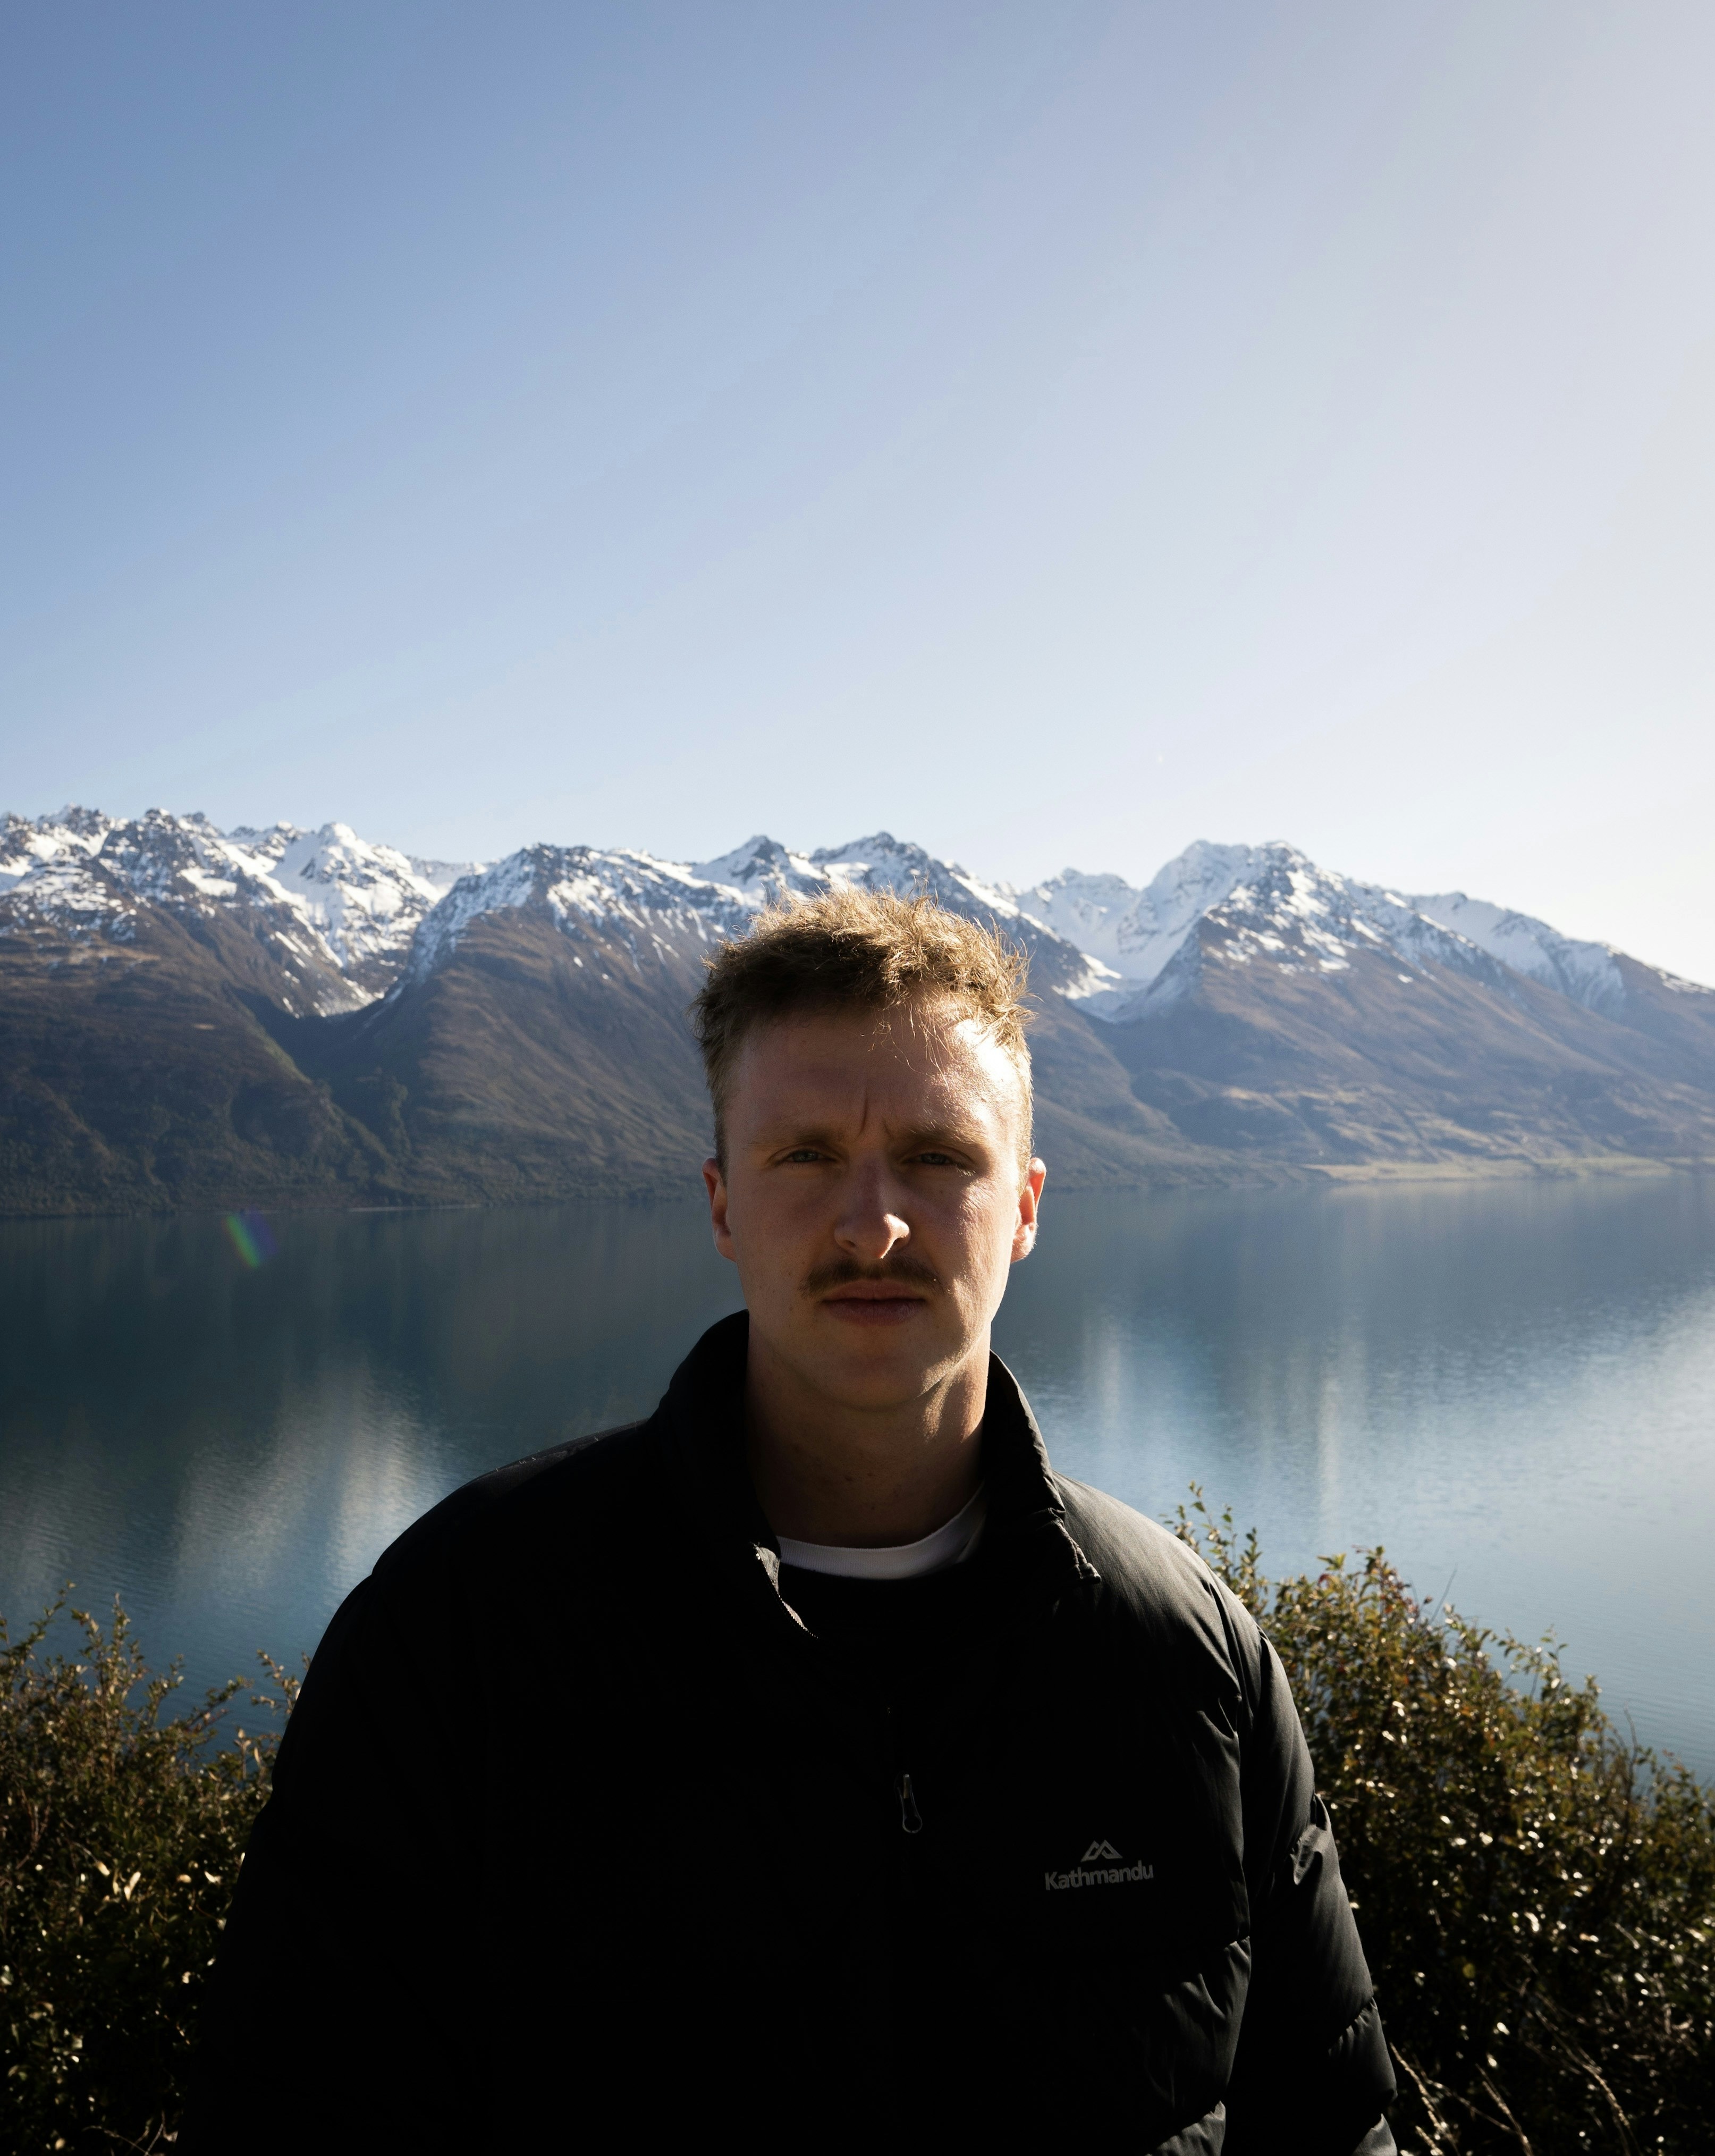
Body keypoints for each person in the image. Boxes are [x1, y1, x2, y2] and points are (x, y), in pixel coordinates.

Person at [182, 890, 1397, 2153]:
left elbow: (1330, 2125)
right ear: (721, 1204)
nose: (873, 1224)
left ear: (1027, 1206)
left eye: (939, 1157)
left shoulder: (1188, 1662)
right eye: (806, 1156)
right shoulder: (461, 1638)